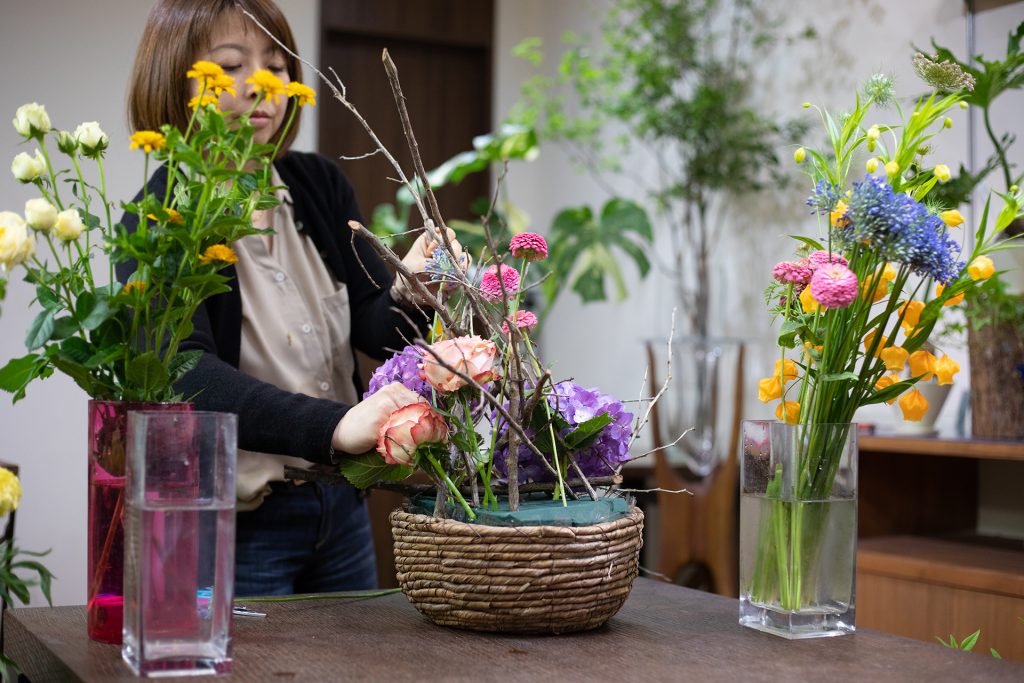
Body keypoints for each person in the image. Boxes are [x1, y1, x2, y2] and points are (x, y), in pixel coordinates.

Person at [120, 0, 462, 596]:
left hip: (344, 509)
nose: (262, 87)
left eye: (276, 67)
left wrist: (412, 291)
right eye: (229, 67)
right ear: (175, 83)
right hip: (240, 523)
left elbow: (373, 330)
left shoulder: (318, 185)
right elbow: (183, 372)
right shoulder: (158, 218)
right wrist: (337, 425)